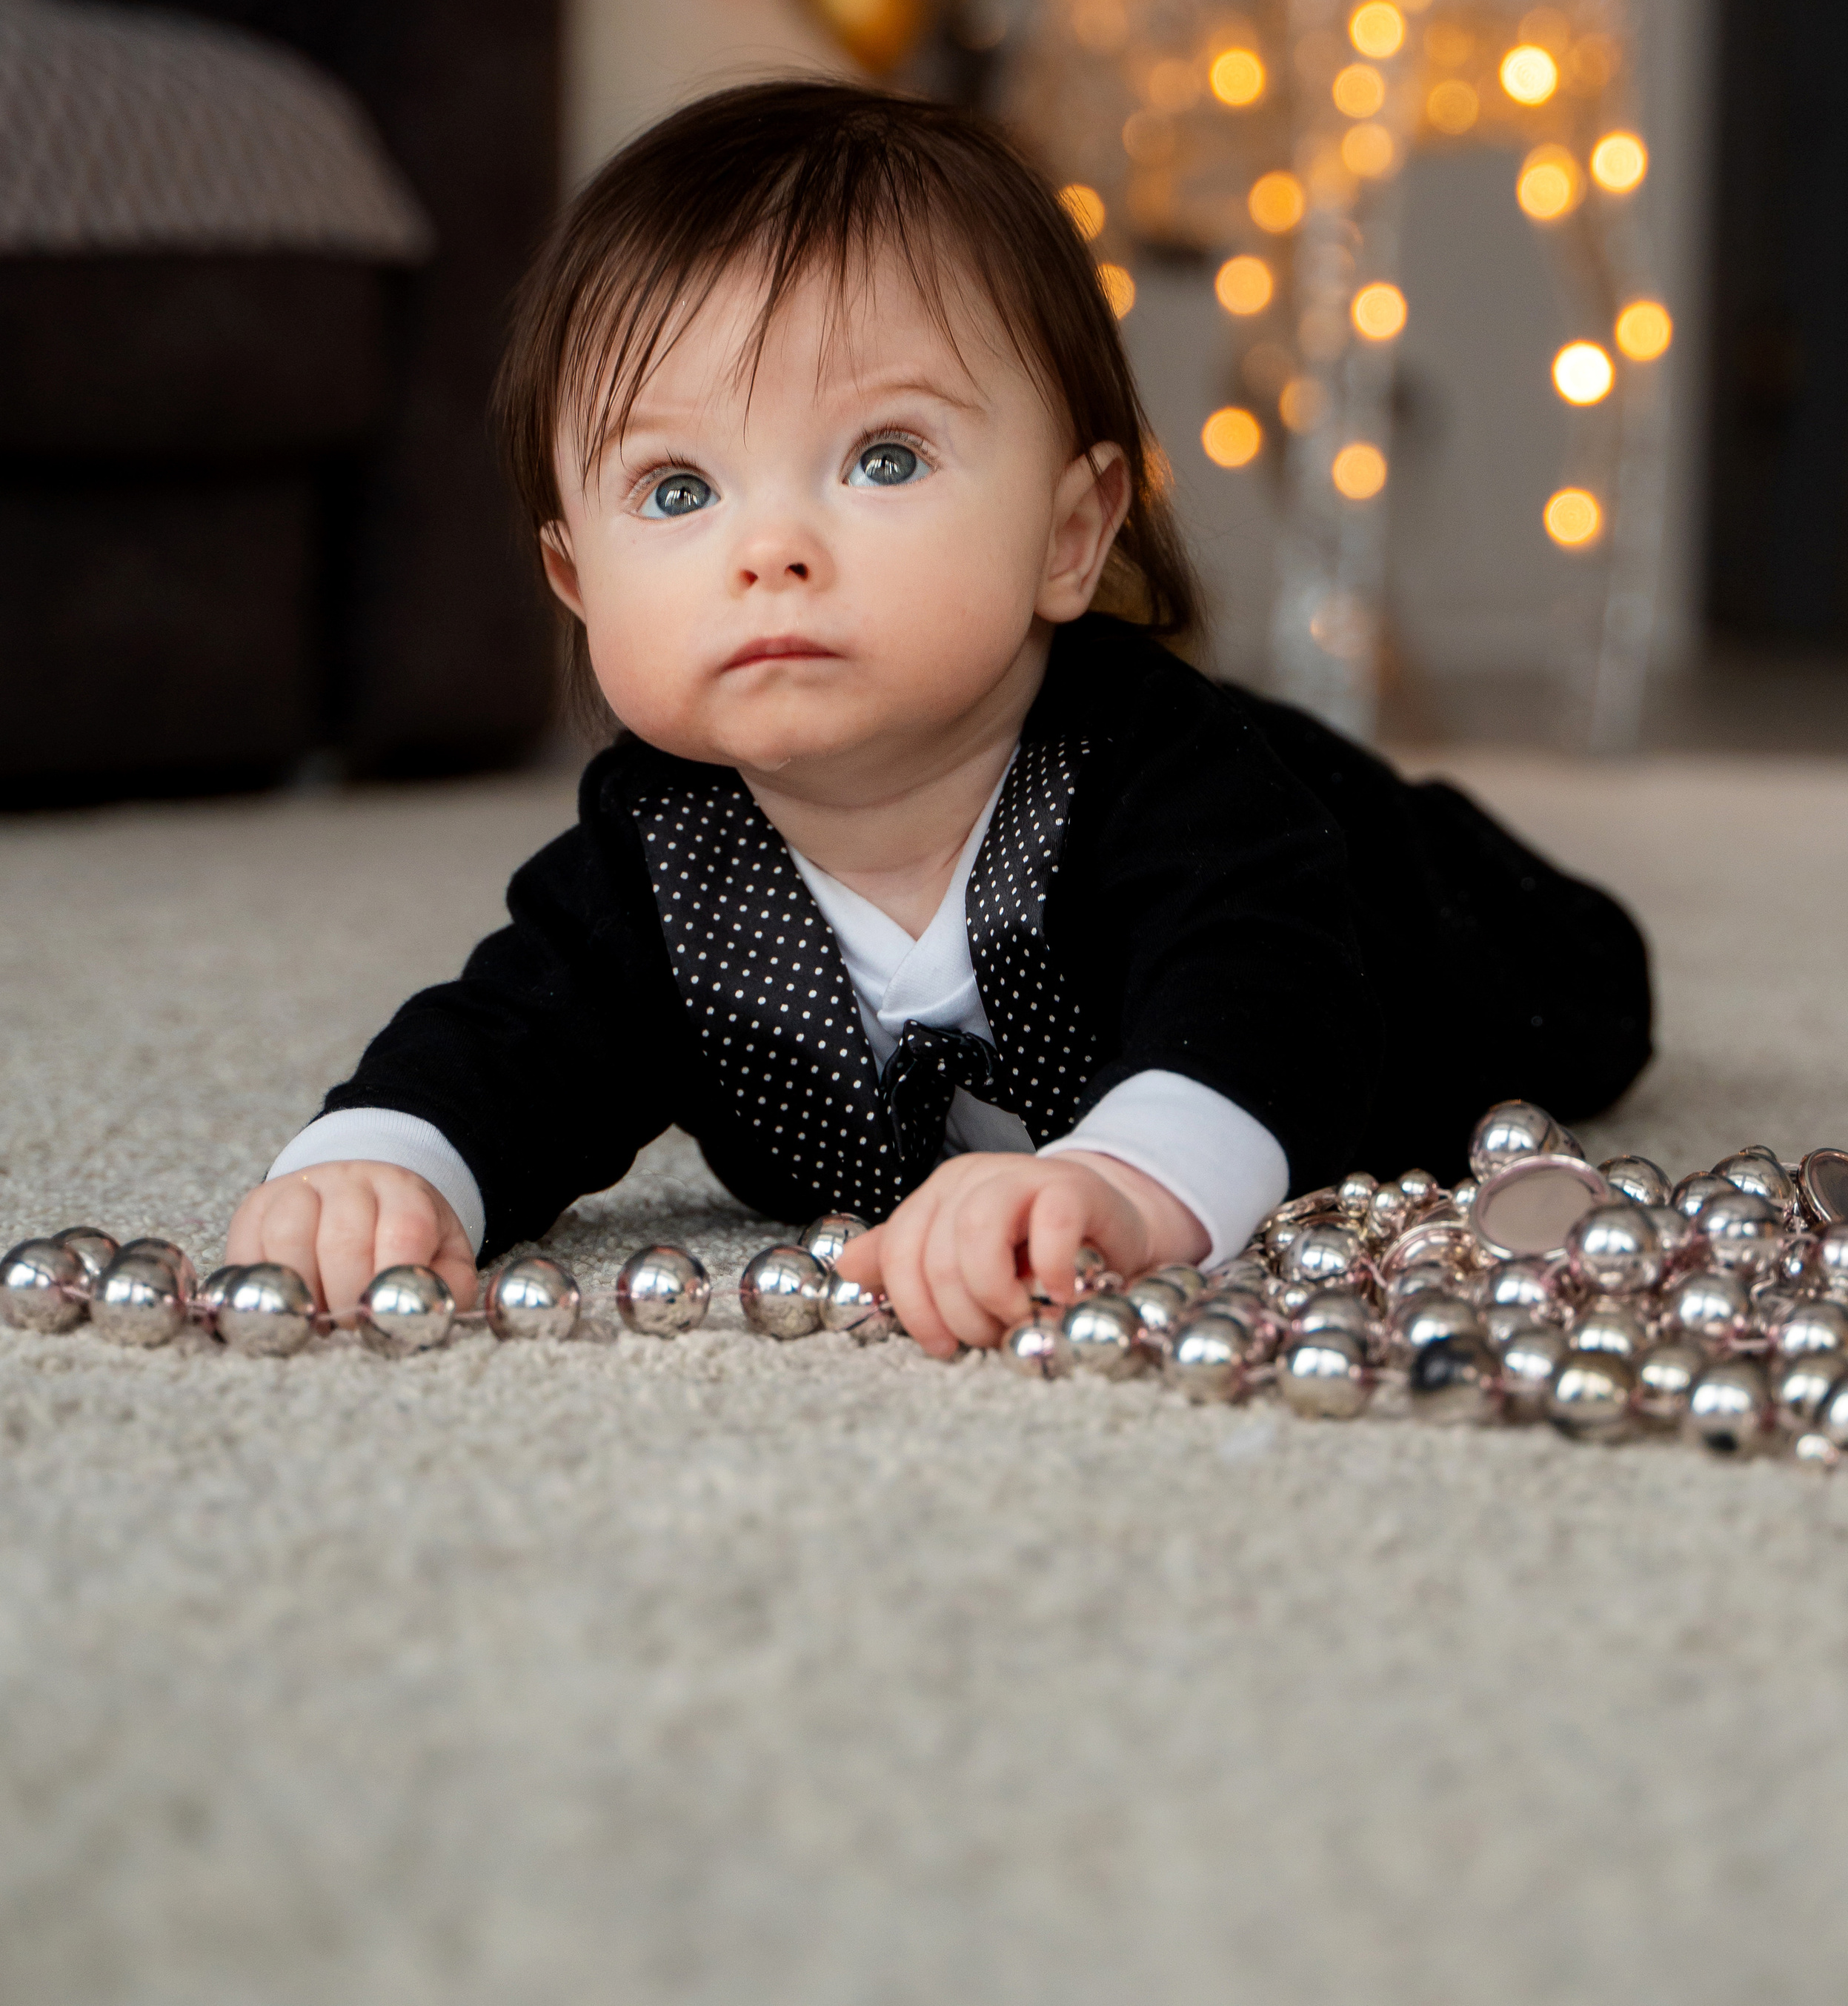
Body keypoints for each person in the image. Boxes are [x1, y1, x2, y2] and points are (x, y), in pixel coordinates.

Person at [225, 80, 1652, 1357]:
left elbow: (1266, 997)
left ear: (1069, 532)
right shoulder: (663, 857)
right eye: (676, 490)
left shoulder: (1157, 779)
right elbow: (508, 1038)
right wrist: (388, 1159)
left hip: (1399, 915)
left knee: (1572, 993)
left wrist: (1123, 1185)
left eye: (884, 456)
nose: (766, 548)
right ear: (576, 580)